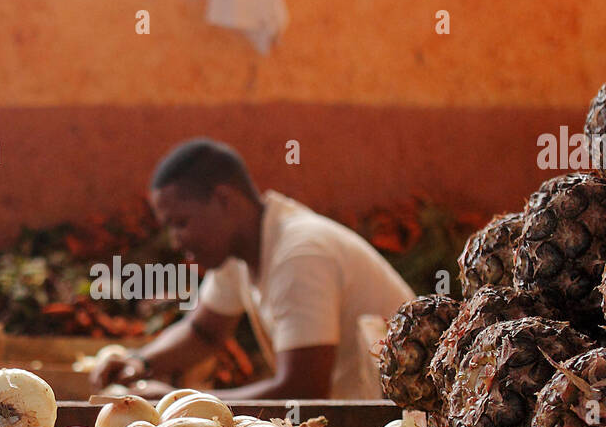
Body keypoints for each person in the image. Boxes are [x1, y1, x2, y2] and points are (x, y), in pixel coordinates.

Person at [91, 138, 415, 399]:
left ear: (224, 200)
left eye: (180, 223)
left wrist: (179, 402)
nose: (175, 241)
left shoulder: (299, 254)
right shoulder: (239, 252)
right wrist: (139, 362)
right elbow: (203, 332)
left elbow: (302, 390)